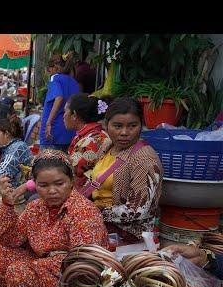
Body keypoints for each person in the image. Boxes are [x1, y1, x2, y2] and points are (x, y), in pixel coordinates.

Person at [0, 150, 109, 287]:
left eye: (59, 183)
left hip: (71, 274)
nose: (52, 191)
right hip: (42, 262)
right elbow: (9, 239)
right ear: (34, 184)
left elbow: (85, 263)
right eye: (43, 185)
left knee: (18, 272)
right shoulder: (35, 207)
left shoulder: (83, 211)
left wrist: (36, 267)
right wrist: (7, 203)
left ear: (71, 182)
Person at [87, 97, 163, 242]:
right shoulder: (107, 146)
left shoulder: (144, 158)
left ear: (141, 126)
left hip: (129, 233)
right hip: (98, 220)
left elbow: (136, 211)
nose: (124, 132)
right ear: (106, 125)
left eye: (132, 126)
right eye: (117, 126)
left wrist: (92, 212)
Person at [62, 94, 112, 191]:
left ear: (74, 115)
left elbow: (70, 172)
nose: (63, 116)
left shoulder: (90, 141)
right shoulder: (91, 135)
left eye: (65, 112)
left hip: (85, 195)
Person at [39, 54, 80, 151]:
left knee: (47, 165)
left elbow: (59, 97)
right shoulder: (74, 82)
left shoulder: (55, 78)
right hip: (69, 133)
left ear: (53, 68)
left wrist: (48, 123)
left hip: (53, 132)